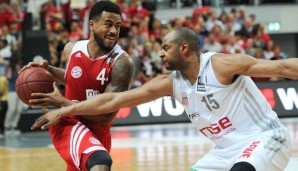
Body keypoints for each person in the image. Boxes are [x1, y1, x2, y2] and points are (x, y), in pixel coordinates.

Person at [31, 27, 298, 171]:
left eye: (165, 47)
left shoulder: (221, 65)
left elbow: (283, 68)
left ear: (184, 48)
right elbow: (112, 102)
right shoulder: (169, 83)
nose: (160, 54)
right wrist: (66, 108)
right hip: (224, 152)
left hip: (263, 138)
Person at [23, 1, 134, 171]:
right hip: (69, 121)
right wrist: (49, 70)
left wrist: (62, 102)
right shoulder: (72, 49)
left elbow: (106, 117)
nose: (114, 31)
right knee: (100, 163)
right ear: (92, 25)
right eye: (108, 24)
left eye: (118, 26)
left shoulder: (122, 63)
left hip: (98, 130)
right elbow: (73, 77)